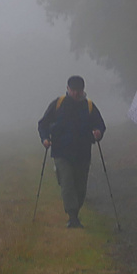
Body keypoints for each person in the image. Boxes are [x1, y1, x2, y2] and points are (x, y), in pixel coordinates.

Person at [37, 75, 106, 228]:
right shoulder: (58, 104)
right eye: (73, 90)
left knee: (80, 187)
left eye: (79, 91)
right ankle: (72, 217)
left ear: (83, 90)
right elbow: (43, 124)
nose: (76, 93)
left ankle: (75, 211)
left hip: (83, 153)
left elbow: (100, 124)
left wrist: (98, 132)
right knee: (67, 183)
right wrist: (44, 139)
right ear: (67, 89)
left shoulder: (89, 106)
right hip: (61, 152)